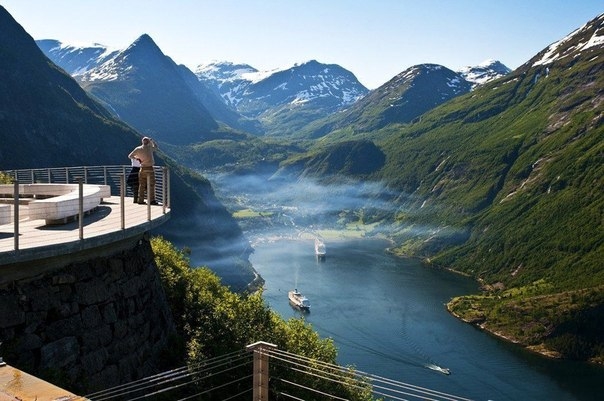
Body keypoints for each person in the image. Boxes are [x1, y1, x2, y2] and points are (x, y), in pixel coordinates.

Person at [128, 136, 159, 205]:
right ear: (148, 142)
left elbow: (130, 156)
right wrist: (152, 141)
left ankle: (140, 200)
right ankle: (152, 200)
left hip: (142, 169)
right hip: (150, 169)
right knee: (151, 185)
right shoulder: (149, 148)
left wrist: (137, 158)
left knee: (141, 185)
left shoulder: (138, 149)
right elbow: (156, 147)